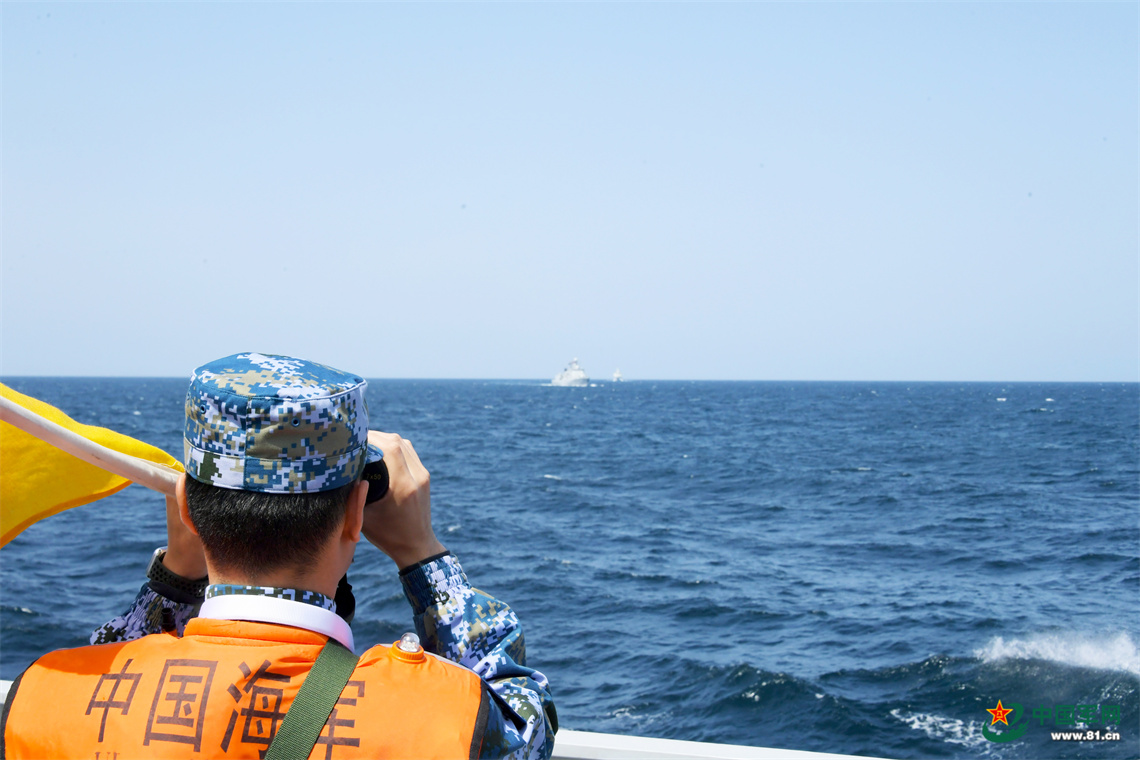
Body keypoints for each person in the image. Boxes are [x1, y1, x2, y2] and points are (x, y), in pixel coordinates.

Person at [1, 352, 556, 759]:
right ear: (356, 513)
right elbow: (523, 716)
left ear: (186, 510)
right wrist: (422, 555)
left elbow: (109, 663)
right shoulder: (440, 720)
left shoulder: (45, 700)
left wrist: (172, 583)